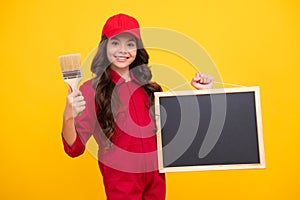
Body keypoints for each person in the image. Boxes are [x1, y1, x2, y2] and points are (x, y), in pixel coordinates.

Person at [62, 13, 214, 200]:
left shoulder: (152, 88)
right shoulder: (91, 90)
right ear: (105, 47)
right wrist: (68, 115)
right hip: (120, 180)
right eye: (115, 43)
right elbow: (74, 148)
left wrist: (204, 93)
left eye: (130, 44)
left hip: (155, 177)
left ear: (137, 49)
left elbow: (180, 126)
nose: (122, 50)